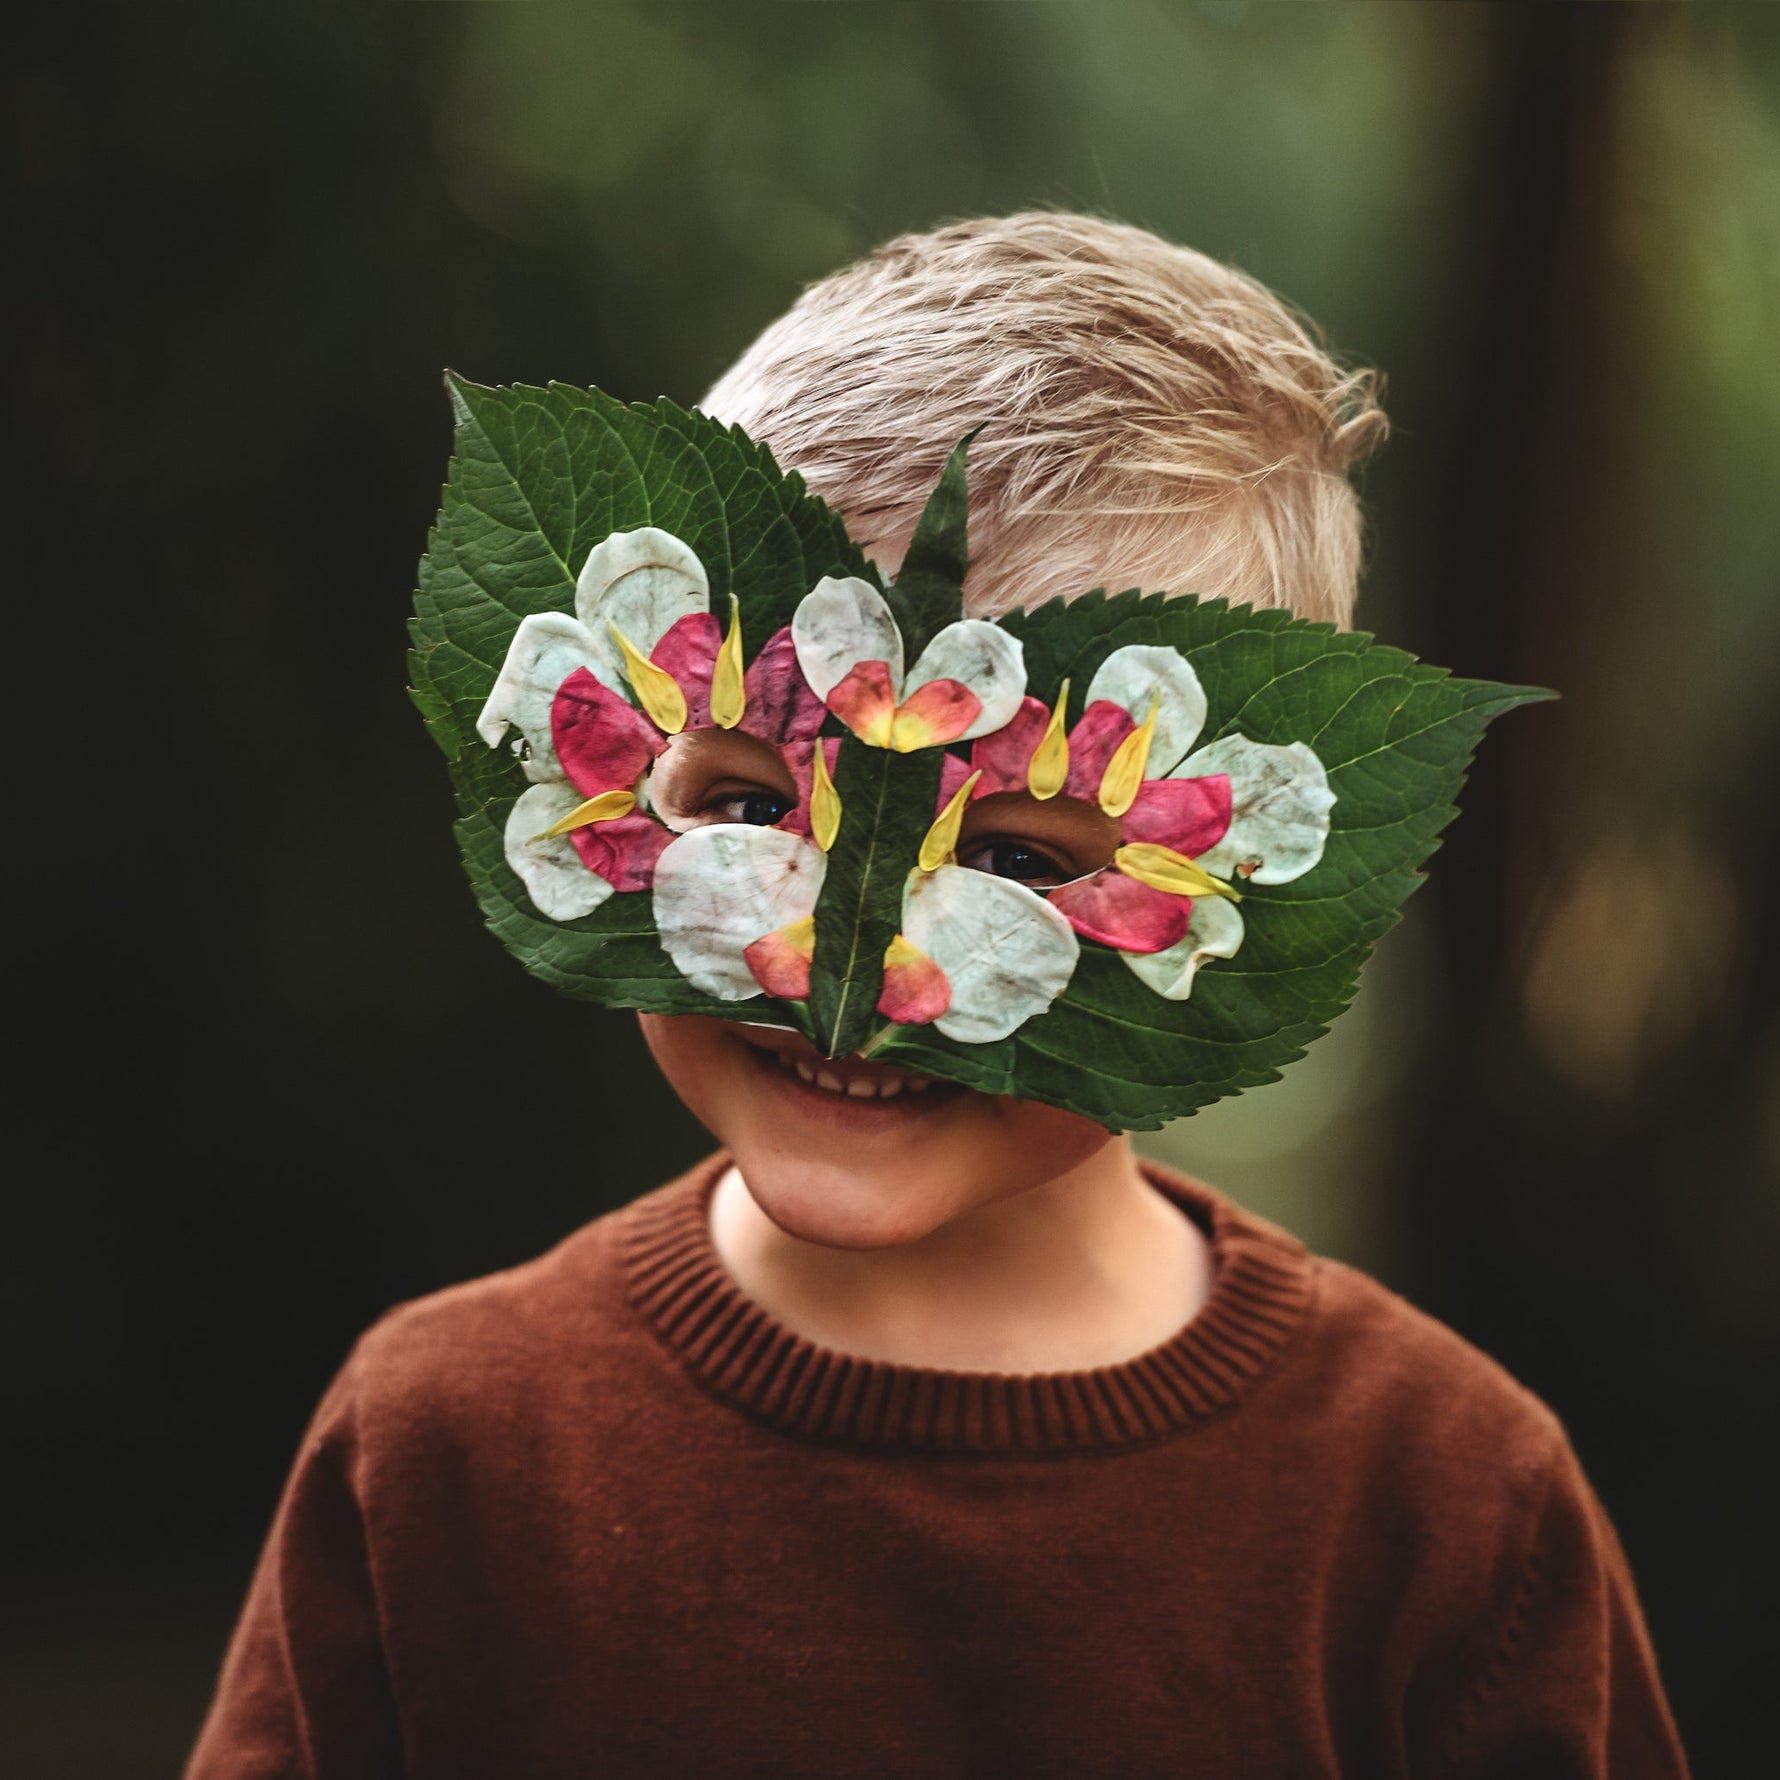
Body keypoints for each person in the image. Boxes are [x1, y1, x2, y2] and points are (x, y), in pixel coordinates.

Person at [186, 214, 1688, 1778]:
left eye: (1027, 862)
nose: (848, 974)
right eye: (754, 805)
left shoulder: (1442, 1507)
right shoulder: (448, 1454)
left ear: (1243, 884)